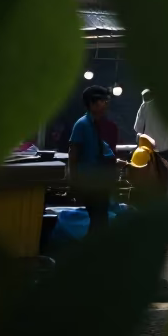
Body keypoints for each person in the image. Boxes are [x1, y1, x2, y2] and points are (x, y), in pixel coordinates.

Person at [67, 85, 121, 232]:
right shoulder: (82, 124)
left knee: (100, 220)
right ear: (92, 103)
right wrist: (73, 181)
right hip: (89, 180)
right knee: (98, 220)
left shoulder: (97, 124)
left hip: (99, 180)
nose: (106, 104)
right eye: (102, 101)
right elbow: (73, 154)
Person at [133, 88, 168, 165]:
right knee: (165, 174)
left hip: (148, 150)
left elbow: (138, 129)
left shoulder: (144, 107)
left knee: (148, 175)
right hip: (166, 150)